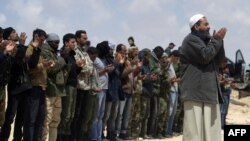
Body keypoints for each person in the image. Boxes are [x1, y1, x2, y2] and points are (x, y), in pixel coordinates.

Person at [180, 14, 227, 141]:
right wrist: (215, 40)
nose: (209, 26)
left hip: (209, 92)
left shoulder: (208, 41)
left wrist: (219, 41)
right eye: (205, 24)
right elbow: (205, 56)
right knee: (194, 134)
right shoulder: (190, 40)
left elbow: (220, 61)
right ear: (196, 27)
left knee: (211, 134)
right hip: (195, 92)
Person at [0, 27, 29, 141]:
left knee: (21, 117)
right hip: (14, 86)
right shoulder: (6, 48)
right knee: (9, 117)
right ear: (7, 36)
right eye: (13, 32)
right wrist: (20, 46)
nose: (16, 34)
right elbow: (16, 64)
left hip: (24, 86)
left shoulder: (18, 48)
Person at [24, 28, 49, 141]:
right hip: (33, 87)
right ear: (36, 37)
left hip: (42, 87)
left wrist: (47, 66)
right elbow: (29, 69)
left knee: (40, 118)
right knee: (31, 119)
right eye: (41, 40)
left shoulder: (40, 50)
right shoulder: (30, 49)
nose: (43, 42)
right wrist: (42, 65)